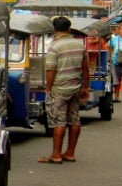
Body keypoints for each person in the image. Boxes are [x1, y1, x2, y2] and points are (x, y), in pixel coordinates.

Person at [38, 16, 89, 164]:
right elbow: (85, 68)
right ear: (69, 28)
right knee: (74, 119)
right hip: (75, 87)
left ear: (54, 29)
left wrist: (48, 88)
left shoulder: (55, 46)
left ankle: (56, 154)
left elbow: (50, 69)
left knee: (59, 122)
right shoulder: (79, 45)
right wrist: (86, 86)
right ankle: (70, 152)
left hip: (59, 88)